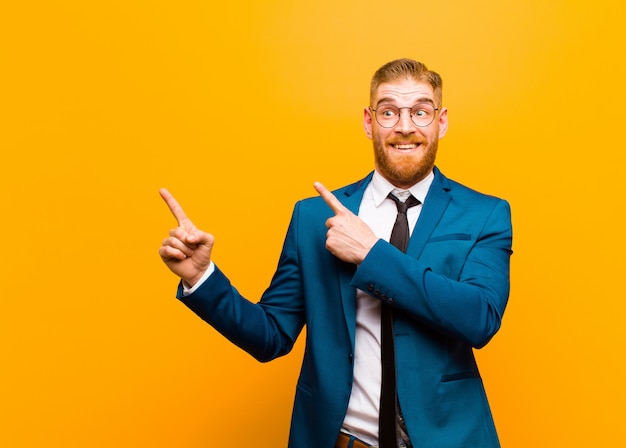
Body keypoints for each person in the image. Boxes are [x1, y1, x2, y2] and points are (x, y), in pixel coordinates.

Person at [159, 58, 512, 448]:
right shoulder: (313, 218)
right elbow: (271, 335)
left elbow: (480, 318)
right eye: (390, 111)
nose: (405, 127)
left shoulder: (485, 213)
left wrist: (371, 253)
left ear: (441, 122)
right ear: (369, 121)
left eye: (421, 112)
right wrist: (201, 277)